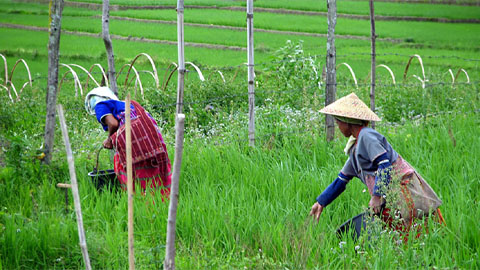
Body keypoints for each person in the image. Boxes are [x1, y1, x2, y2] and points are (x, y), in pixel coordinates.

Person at [309, 93, 444, 237]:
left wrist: (376, 197)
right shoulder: (355, 149)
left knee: (418, 230)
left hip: (402, 188)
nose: (337, 127)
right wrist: (321, 202)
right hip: (389, 195)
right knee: (400, 234)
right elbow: (341, 180)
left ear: (347, 122)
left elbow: (385, 165)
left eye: (338, 123)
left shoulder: (367, 136)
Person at [85, 87, 171, 198]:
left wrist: (109, 139)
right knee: (153, 166)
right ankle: (162, 198)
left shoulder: (100, 105)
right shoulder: (125, 105)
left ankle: (138, 197)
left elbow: (113, 123)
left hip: (133, 135)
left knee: (126, 167)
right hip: (152, 137)